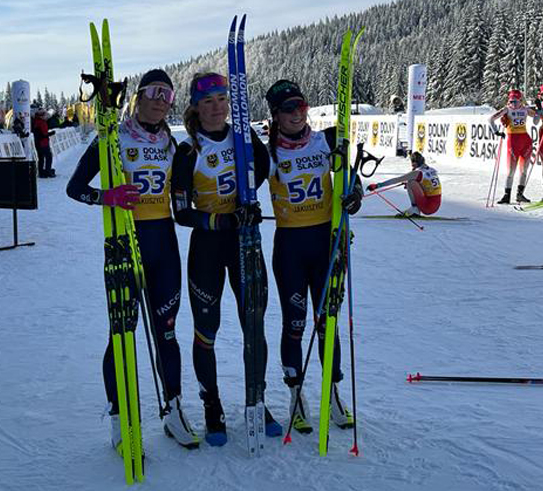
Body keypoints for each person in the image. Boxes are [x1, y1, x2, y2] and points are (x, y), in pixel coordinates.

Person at [67, 69, 199, 451]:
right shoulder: (113, 138)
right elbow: (74, 188)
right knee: (122, 336)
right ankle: (119, 418)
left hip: (164, 247)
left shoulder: (173, 146)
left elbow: (180, 200)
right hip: (125, 244)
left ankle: (173, 408)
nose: (161, 100)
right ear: (137, 97)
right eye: (154, 92)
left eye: (168, 96)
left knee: (168, 333)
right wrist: (105, 197)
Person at [171, 72, 279, 446]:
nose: (216, 107)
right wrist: (222, 218)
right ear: (196, 108)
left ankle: (256, 398)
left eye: (221, 99)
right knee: (207, 330)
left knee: (254, 323)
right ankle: (211, 405)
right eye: (207, 102)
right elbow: (181, 212)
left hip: (245, 242)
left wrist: (247, 203)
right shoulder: (188, 151)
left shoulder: (244, 137)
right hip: (209, 247)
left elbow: (263, 170)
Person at [263, 79, 363, 435]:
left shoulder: (328, 140)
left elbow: (350, 178)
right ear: (275, 115)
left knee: (328, 322)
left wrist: (354, 194)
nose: (297, 114)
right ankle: (295, 395)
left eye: (301, 106)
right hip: (289, 246)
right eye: (288, 109)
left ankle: (332, 391)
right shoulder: (268, 152)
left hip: (326, 243)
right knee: (295, 323)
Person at [489, 89, 534, 204]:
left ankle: (520, 194)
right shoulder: (506, 109)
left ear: (521, 100)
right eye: (511, 101)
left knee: (524, 170)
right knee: (511, 171)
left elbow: (538, 116)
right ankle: (506, 195)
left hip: (525, 140)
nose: (514, 104)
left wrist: (540, 110)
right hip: (513, 141)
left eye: (516, 101)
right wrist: (496, 131)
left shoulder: (525, 109)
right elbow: (490, 119)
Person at [367, 151, 441, 216]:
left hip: (427, 207)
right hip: (436, 205)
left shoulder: (417, 173)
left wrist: (378, 185)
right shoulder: (432, 170)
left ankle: (414, 209)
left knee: (410, 182)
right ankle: (415, 209)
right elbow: (429, 186)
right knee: (412, 183)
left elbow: (397, 180)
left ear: (415, 163)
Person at [33, 109, 56, 178]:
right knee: (48, 156)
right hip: (43, 143)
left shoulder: (36, 122)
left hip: (38, 142)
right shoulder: (42, 123)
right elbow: (44, 134)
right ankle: (47, 171)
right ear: (41, 116)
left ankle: (41, 172)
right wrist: (50, 133)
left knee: (41, 158)